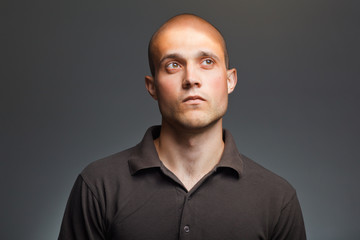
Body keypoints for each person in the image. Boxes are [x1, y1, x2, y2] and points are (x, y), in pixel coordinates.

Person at [58, 14, 306, 240]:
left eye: (207, 61)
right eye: (173, 65)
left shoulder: (277, 198)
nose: (191, 79)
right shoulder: (98, 186)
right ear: (152, 86)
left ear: (230, 80)